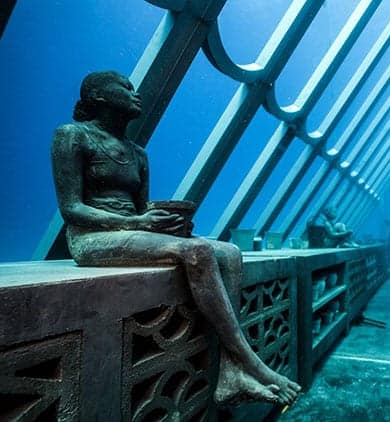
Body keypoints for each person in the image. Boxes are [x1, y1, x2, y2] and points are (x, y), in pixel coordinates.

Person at [51, 71, 300, 406]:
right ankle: (252, 363)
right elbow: (72, 209)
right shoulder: (72, 135)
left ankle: (229, 373)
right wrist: (136, 221)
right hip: (92, 238)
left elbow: (143, 211)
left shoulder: (138, 153)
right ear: (98, 96)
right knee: (196, 251)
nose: (134, 92)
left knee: (228, 252)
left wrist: (168, 225)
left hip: (131, 231)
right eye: (125, 87)